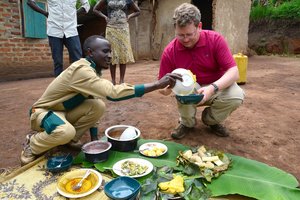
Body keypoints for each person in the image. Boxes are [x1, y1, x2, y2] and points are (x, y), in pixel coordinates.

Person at [20, 35, 181, 166]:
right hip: (43, 113)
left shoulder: (93, 71)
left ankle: (69, 141)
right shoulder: (81, 70)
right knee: (65, 131)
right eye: (105, 51)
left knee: (97, 105)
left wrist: (94, 141)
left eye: (110, 52)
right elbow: (113, 93)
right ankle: (32, 144)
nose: (110, 56)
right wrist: (157, 84)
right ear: (90, 53)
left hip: (63, 112)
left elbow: (96, 105)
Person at [158, 3, 245, 139]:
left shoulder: (215, 40)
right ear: (175, 29)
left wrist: (212, 88)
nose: (185, 40)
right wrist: (168, 87)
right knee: (184, 89)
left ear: (199, 26)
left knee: (236, 95)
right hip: (191, 90)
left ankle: (211, 120)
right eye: (180, 35)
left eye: (189, 34)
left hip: (216, 86)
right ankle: (187, 123)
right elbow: (163, 90)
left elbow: (234, 72)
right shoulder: (170, 51)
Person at [27, 0, 90, 77]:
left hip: (71, 30)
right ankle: (59, 84)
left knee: (77, 59)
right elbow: (30, 2)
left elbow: (86, 5)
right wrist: (45, 13)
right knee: (58, 61)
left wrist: (74, 14)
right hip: (54, 30)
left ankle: (78, 81)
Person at [93, 0, 140, 85]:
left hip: (123, 28)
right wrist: (104, 17)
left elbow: (138, 11)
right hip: (111, 28)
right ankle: (113, 80)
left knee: (123, 53)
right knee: (112, 54)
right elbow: (95, 9)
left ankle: (122, 80)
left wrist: (129, 16)